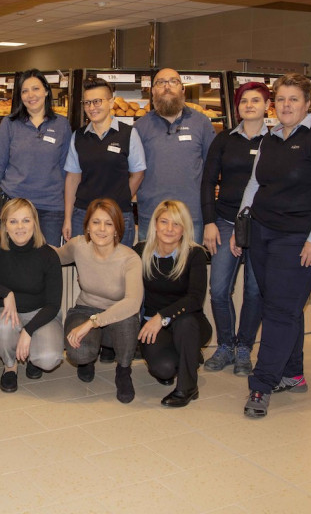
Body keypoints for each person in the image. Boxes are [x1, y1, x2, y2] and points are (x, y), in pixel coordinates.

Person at [231, 73, 311, 419]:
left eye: (293, 99)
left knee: (279, 310)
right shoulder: (270, 138)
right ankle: (292, 373)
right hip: (263, 233)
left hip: (299, 238)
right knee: (281, 305)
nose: (286, 105)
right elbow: (254, 185)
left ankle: (262, 384)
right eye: (280, 99)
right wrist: (241, 225)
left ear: (307, 103)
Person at [200, 82, 269, 376]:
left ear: (267, 106)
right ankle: (226, 344)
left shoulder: (275, 140)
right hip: (226, 222)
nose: (249, 105)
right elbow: (207, 182)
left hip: (261, 227)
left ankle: (244, 347)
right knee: (218, 289)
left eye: (256, 100)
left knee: (254, 291)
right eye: (244, 101)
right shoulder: (225, 139)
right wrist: (209, 221)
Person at [0, 198, 64, 393]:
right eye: (13, 221)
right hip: (6, 313)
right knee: (1, 327)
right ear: (5, 225)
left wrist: (28, 331)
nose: (20, 227)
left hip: (41, 314)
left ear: (35, 223)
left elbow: (53, 304)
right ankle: (10, 366)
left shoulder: (48, 254)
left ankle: (33, 356)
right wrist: (5, 293)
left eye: (26, 220)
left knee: (48, 359)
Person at [59, 198, 143, 403]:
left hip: (117, 316)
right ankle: (87, 360)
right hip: (84, 309)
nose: (102, 229)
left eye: (108, 223)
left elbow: (133, 303)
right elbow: (54, 256)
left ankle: (123, 371)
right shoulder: (78, 245)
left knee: (128, 319)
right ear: (87, 226)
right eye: (96, 222)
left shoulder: (130, 258)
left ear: (117, 229)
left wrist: (92, 323)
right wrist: (25, 237)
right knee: (79, 353)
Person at [136, 201, 212, 408]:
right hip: (153, 325)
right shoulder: (141, 251)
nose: (169, 229)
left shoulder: (195, 254)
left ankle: (187, 387)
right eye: (164, 222)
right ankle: (190, 355)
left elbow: (195, 297)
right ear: (155, 225)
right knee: (164, 370)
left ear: (184, 228)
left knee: (184, 323)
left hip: (189, 323)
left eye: (176, 224)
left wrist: (162, 317)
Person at [0, 69, 71, 244]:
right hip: (15, 205)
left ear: (46, 91)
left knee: (47, 257)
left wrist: (68, 214)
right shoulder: (10, 124)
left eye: (36, 89)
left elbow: (66, 171)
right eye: (25, 91)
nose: (31, 95)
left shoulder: (62, 124)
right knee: (14, 257)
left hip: (50, 208)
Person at [133, 67, 216, 243]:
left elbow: (212, 171)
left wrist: (210, 217)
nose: (167, 87)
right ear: (152, 91)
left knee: (190, 262)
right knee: (150, 261)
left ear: (183, 89)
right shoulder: (140, 127)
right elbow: (133, 171)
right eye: (161, 83)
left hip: (191, 218)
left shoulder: (202, 123)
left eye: (173, 82)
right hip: (152, 217)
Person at [62, 76, 145, 246]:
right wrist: (68, 218)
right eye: (87, 103)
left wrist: (118, 199)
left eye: (97, 101)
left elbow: (138, 174)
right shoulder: (78, 137)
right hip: (83, 215)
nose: (91, 107)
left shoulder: (129, 134)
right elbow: (72, 178)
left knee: (118, 262)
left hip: (118, 215)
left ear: (111, 102)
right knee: (83, 262)